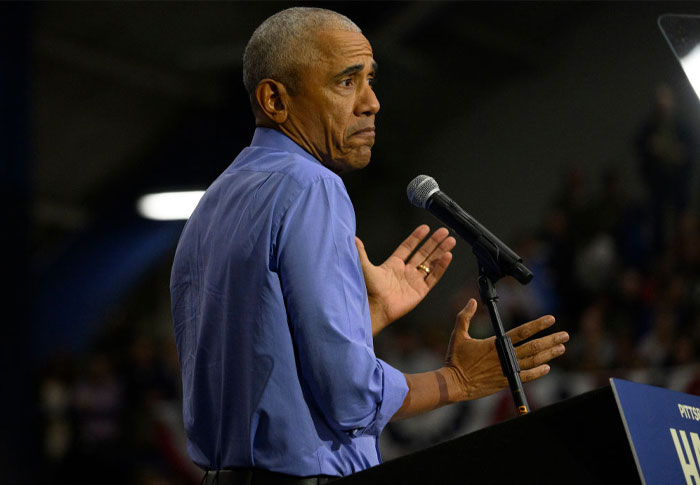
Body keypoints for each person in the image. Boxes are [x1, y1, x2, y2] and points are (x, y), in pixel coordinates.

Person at [170, 7, 568, 484]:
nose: (372, 102)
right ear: (275, 99)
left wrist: (365, 316)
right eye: (346, 82)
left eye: (370, 80)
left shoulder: (213, 203)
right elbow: (347, 397)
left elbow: (260, 358)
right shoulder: (313, 186)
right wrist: (457, 381)